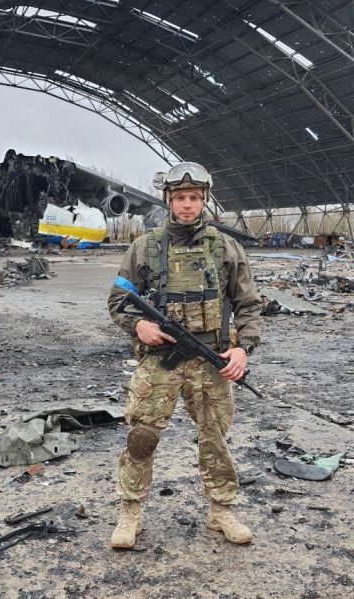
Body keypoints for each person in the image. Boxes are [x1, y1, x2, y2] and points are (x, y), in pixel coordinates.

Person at [108, 162, 261, 549]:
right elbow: (117, 300)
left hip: (211, 359)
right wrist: (138, 326)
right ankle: (130, 512)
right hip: (160, 359)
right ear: (169, 200)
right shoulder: (144, 247)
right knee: (142, 436)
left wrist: (243, 349)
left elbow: (248, 305)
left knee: (215, 438)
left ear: (204, 199)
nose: (187, 204)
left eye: (194, 197)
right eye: (180, 198)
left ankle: (221, 510)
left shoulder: (226, 247)